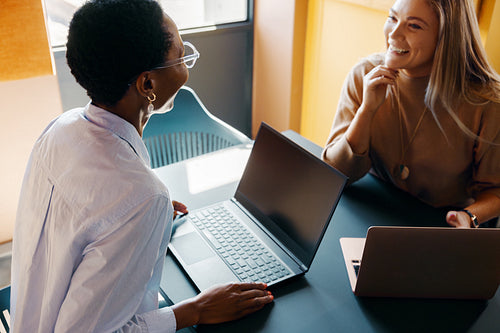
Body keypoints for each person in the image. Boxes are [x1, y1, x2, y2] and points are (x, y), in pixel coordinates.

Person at [10, 0, 273, 332]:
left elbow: (74, 226)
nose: (187, 66)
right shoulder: (141, 198)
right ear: (147, 85)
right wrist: (194, 311)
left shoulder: (60, 129)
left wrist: (144, 221)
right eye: (181, 56)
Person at [322, 0, 500, 228]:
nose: (393, 34)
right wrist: (367, 110)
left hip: (440, 226)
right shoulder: (364, 75)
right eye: (392, 18)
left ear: (446, 38)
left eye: (414, 26)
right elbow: (334, 174)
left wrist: (468, 217)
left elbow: (495, 190)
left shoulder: (488, 103)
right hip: (369, 211)